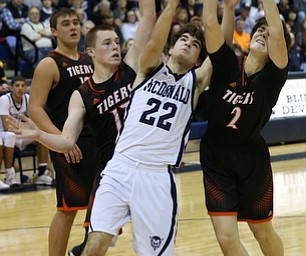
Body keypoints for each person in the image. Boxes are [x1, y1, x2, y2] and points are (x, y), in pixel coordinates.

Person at [8, 0, 237, 254]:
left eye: (195, 46)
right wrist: (39, 134)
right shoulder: (146, 69)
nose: (188, 45)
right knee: (92, 243)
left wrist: (226, 10)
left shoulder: (193, 82)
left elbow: (220, 51)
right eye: (183, 40)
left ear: (197, 60)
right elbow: (153, 37)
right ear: (170, 49)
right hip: (119, 167)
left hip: (157, 173)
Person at [200, 0, 291, 255]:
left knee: (263, 232)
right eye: (259, 29)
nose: (263, 32)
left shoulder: (272, 78)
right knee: (227, 238)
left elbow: (277, 31)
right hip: (216, 157)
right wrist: (223, 6)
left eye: (268, 32)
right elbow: (209, 23)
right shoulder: (227, 65)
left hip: (252, 161)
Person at [27, 8, 99, 256]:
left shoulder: (91, 60)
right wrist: (61, 140)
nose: (73, 27)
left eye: (76, 23)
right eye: (66, 24)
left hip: (98, 143)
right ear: (54, 31)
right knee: (68, 209)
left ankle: (84, 250)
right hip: (70, 146)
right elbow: (35, 108)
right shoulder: (50, 63)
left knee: (101, 205)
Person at [0, 75, 52, 187]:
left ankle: (42, 173)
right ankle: (10, 176)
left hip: (22, 134)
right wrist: (23, 128)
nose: (20, 88)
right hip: (6, 134)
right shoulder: (4, 99)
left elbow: (35, 122)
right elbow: (6, 126)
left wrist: (27, 129)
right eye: (17, 86)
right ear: (11, 87)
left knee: (41, 134)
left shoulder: (28, 98)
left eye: (23, 85)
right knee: (10, 136)